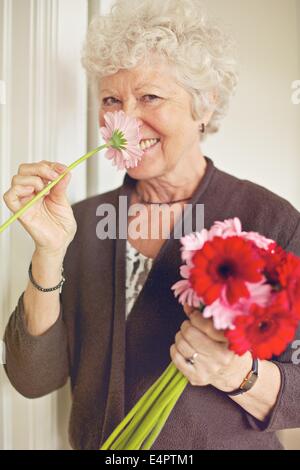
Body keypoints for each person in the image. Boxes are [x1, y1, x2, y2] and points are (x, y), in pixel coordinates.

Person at [3, 0, 300, 450]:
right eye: (110, 100)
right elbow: (32, 379)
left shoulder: (273, 221)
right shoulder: (80, 221)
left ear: (205, 104)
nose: (125, 119)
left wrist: (238, 375)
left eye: (150, 97)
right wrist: (48, 254)